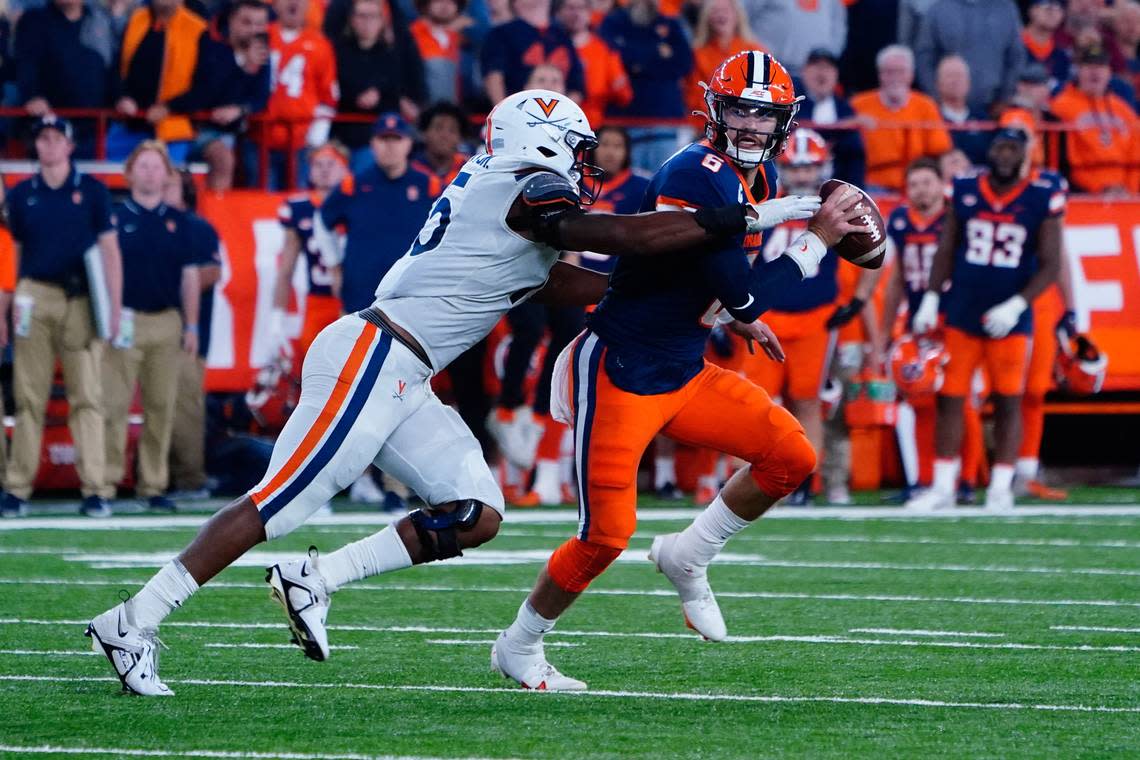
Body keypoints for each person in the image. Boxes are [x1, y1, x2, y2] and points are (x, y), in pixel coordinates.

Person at [85, 88, 793, 695]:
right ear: (543, 143)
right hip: (375, 353)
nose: (586, 166)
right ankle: (134, 620)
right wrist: (753, 216)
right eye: (577, 150)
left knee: (476, 513)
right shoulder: (527, 183)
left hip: (404, 372)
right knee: (279, 502)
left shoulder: (503, 191)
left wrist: (657, 303)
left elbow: (558, 281)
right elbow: (615, 238)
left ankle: (314, 578)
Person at [491, 52, 870, 690]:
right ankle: (518, 645)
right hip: (621, 370)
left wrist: (736, 312)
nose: (751, 125)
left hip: (682, 368)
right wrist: (815, 243)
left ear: (783, 120)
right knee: (604, 537)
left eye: (765, 113)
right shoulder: (696, 172)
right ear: (715, 109)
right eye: (742, 109)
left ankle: (689, 552)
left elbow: (720, 288)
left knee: (790, 457)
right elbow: (741, 289)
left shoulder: (760, 174)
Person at [905, 127, 1065, 512]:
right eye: (1000, 147)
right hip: (962, 309)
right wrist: (931, 295)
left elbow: (1051, 264)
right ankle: (944, 485)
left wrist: (1017, 305)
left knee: (1009, 399)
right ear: (990, 151)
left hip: (1010, 317)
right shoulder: (964, 187)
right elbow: (946, 247)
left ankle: (1000, 486)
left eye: (1013, 148)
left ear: (1024, 154)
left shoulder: (1042, 194)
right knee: (950, 397)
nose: (1006, 155)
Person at [746, 129, 880, 506]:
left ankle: (805, 482)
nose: (803, 176)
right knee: (755, 401)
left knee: (808, 401)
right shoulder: (766, 199)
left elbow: (877, 253)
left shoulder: (835, 208)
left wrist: (858, 299)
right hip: (765, 316)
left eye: (809, 167)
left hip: (815, 320)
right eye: (796, 167)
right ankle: (755, 478)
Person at [0, 116, 122, 519]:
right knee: (28, 397)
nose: (49, 145)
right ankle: (18, 488)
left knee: (86, 396)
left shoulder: (91, 192)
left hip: (81, 300)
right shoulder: (21, 196)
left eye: (56, 138)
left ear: (70, 146)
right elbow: (12, 256)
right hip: (33, 293)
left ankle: (95, 488)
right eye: (43, 139)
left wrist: (114, 308)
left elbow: (109, 253)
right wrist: (9, 303)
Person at [101, 142, 200, 511]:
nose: (149, 173)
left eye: (156, 166)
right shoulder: (112, 218)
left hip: (165, 320)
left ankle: (152, 483)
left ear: (166, 174)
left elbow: (190, 278)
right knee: (113, 404)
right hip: (123, 319)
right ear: (129, 173)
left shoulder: (180, 222)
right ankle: (106, 483)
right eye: (142, 166)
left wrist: (192, 326)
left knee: (161, 406)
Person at [881, 157, 984, 503]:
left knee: (960, 400)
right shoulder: (900, 220)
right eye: (914, 184)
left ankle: (966, 479)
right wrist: (886, 332)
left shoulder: (957, 218)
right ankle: (926, 479)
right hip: (919, 321)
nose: (920, 190)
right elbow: (896, 280)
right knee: (922, 399)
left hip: (954, 319)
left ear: (942, 184)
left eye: (926, 182)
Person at [317, 114, 439, 315]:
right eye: (384, 139)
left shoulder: (430, 187)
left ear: (408, 143)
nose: (390, 146)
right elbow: (322, 220)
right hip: (360, 297)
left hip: (413, 300)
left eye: (396, 139)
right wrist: (334, 265)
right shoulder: (352, 186)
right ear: (372, 143)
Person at [166, 0, 272, 191]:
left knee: (258, 163)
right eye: (247, 22)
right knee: (223, 157)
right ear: (231, 21)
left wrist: (240, 109)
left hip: (237, 131)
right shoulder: (210, 43)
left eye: (259, 24)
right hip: (194, 126)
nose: (254, 30)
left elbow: (260, 98)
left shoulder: (261, 51)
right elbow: (206, 94)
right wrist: (242, 67)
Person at [164, 170, 222, 497]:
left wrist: (163, 291)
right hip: (153, 323)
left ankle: (189, 476)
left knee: (186, 401)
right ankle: (158, 476)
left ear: (184, 190)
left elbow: (212, 272)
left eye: (169, 183)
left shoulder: (197, 227)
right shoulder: (148, 223)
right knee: (158, 404)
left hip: (188, 326)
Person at [270, 144, 349, 361]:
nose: (324, 170)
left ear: (345, 169)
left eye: (331, 164)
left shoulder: (356, 201)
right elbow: (286, 269)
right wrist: (276, 319)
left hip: (354, 300)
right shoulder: (300, 208)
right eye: (318, 164)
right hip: (318, 301)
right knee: (313, 369)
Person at [14, 0, 118, 158]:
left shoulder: (100, 20)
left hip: (95, 128)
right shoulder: (34, 20)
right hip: (49, 127)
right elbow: (25, 65)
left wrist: (121, 97)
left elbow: (113, 68)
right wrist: (32, 96)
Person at [599, 0, 693, 172]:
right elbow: (610, 58)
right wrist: (658, 54)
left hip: (666, 122)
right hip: (623, 123)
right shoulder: (613, 22)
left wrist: (636, 62)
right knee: (627, 188)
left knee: (664, 184)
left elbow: (684, 64)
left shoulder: (672, 23)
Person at [332, 0, 425, 172]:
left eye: (373, 16)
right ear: (352, 20)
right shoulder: (337, 52)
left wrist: (378, 94)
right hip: (340, 134)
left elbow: (400, 93)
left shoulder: (394, 57)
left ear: (382, 21)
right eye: (362, 16)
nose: (367, 22)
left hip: (375, 135)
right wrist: (354, 97)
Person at [254, 0, 339, 189]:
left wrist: (316, 139)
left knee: (299, 198)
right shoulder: (261, 36)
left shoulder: (320, 44)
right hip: (259, 137)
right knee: (261, 201)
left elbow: (328, 96)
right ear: (274, 4)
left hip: (301, 141)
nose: (294, 3)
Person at [112, 0, 208, 163]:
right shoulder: (136, 19)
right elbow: (116, 68)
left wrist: (168, 108)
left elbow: (205, 87)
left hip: (173, 128)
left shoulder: (197, 28)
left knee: (163, 181)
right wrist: (121, 97)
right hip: (129, 123)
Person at [850, 45, 952, 192]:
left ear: (911, 75)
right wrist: (854, 123)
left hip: (917, 183)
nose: (895, 77)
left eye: (901, 71)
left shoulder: (926, 105)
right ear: (880, 75)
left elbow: (940, 150)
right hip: (872, 183)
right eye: (889, 72)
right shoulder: (858, 105)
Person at [1049, 43, 1140, 196]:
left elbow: (1136, 154)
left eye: (1101, 67)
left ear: (1109, 72)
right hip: (1083, 194)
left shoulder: (1123, 110)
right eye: (1089, 66)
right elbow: (1066, 160)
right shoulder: (1061, 107)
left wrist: (1130, 190)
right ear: (1078, 71)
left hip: (1126, 195)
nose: (1095, 72)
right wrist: (1097, 189)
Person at [913, 0, 1025, 115]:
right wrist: (935, 97)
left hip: (992, 108)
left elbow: (1016, 58)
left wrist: (1004, 98)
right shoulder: (939, 9)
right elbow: (924, 58)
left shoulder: (1005, 9)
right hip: (946, 110)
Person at [481, 0, 584, 104]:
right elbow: (494, 78)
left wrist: (561, 113)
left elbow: (577, 87)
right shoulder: (501, 34)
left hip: (558, 114)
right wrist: (506, 114)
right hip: (517, 112)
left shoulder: (563, 36)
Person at [796, 48, 865, 192]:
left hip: (836, 183)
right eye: (816, 67)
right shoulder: (791, 105)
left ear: (836, 75)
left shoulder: (846, 110)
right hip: (795, 180)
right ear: (804, 72)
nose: (822, 73)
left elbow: (855, 154)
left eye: (827, 68)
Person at [686, 0, 759, 132]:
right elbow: (693, 95)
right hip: (706, 127)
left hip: (748, 127)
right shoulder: (697, 53)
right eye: (715, 11)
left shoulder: (756, 52)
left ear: (737, 16)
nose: (720, 15)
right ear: (706, 18)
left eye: (725, 10)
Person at [556, 0, 632, 128]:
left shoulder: (605, 49)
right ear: (559, 12)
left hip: (594, 125)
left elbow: (624, 94)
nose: (576, 13)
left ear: (590, 12)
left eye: (581, 8)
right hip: (556, 121)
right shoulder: (550, 45)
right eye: (570, 8)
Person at [742, 0, 845, 75]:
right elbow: (740, 15)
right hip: (765, 70)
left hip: (814, 79)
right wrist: (754, 50)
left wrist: (826, 62)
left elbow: (838, 26)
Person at [934, 55, 990, 166]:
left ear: (968, 83)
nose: (955, 81)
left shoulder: (983, 119)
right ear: (938, 84)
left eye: (959, 76)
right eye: (949, 76)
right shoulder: (931, 118)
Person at [409, 0, 466, 106]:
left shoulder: (459, 36)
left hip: (452, 111)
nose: (445, 5)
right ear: (425, 3)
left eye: (452, 1)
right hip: (421, 109)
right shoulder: (411, 33)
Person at [410, 102, 471, 186]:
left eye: (452, 130)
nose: (444, 135)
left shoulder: (470, 170)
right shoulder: (411, 169)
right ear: (424, 133)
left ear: (460, 138)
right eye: (438, 128)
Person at [1022, 0, 1071, 93]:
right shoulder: (1013, 46)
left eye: (1058, 7)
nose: (1052, 11)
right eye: (1045, 5)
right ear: (1032, 10)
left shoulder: (1062, 56)